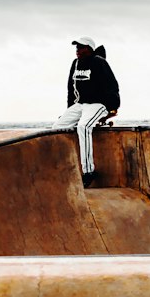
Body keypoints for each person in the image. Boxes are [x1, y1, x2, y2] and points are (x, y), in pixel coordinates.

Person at [51, 36, 120, 188]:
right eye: (76, 48)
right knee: (56, 127)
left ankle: (88, 171)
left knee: (84, 127)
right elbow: (71, 88)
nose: (77, 50)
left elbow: (112, 85)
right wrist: (69, 109)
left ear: (89, 49)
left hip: (98, 104)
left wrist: (113, 108)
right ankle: (62, 166)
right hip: (79, 104)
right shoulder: (75, 64)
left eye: (81, 47)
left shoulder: (99, 62)